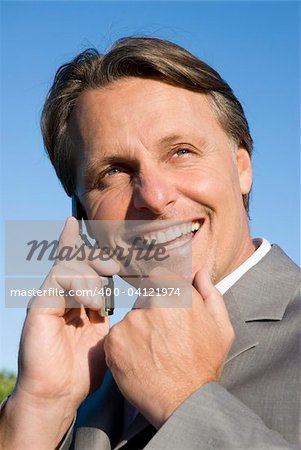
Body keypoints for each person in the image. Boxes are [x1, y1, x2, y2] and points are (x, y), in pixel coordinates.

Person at [0, 37, 300, 450]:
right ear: (85, 217)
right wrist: (37, 409)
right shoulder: (80, 384)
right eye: (113, 172)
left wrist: (187, 402)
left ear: (242, 167)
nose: (154, 198)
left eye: (181, 151)